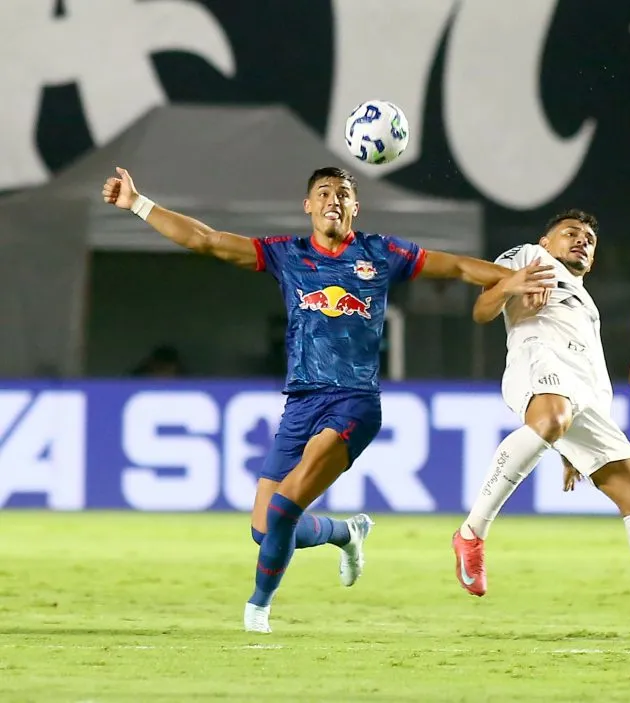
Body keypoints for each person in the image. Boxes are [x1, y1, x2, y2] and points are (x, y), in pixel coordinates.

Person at [101, 165, 554, 633]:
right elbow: (207, 240)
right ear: (308, 205)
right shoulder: (287, 254)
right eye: (323, 192)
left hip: (354, 402)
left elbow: (456, 266)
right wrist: (137, 203)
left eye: (342, 193)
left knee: (283, 508)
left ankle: (257, 610)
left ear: (356, 206)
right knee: (264, 529)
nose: (332, 199)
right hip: (300, 403)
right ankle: (346, 532)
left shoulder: (382, 252)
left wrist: (512, 278)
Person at [452, 209, 630, 642]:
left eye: (589, 239)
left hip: (582, 396)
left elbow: (591, 375)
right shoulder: (529, 257)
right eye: (570, 233)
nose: (581, 241)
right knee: (553, 418)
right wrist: (510, 285)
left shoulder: (587, 306)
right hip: (537, 362)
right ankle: (471, 533)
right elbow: (481, 309)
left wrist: (572, 448)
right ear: (546, 242)